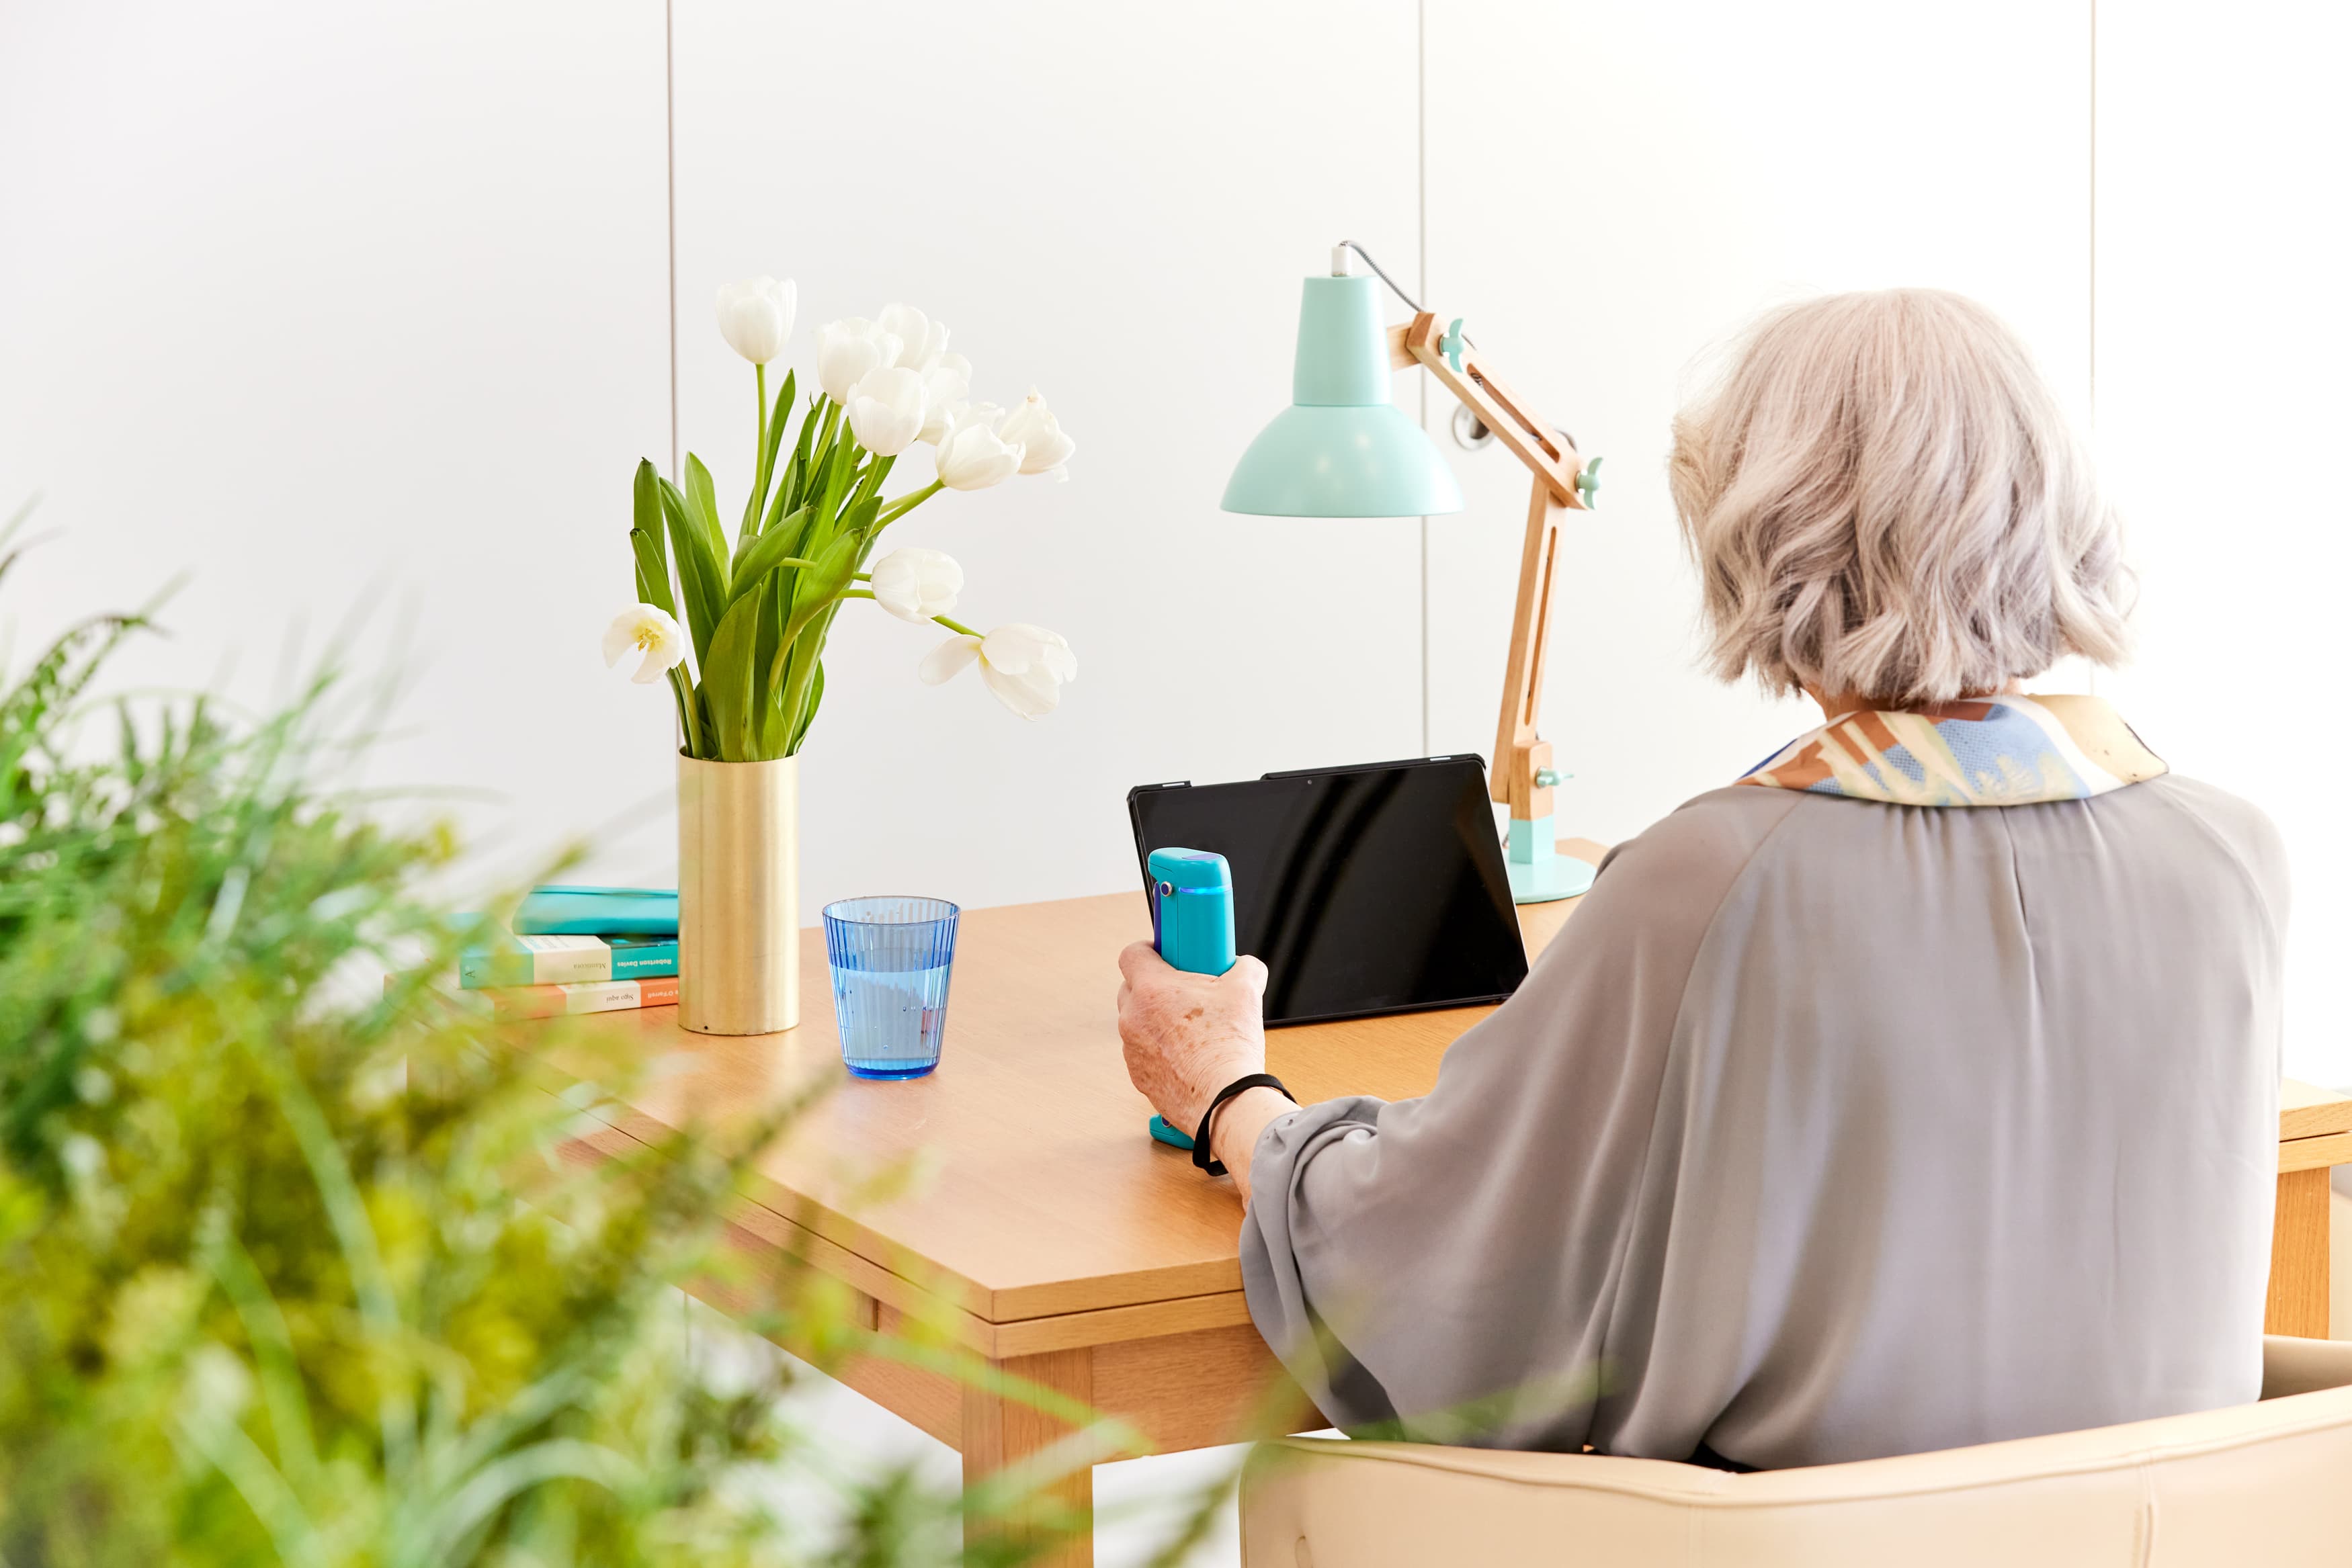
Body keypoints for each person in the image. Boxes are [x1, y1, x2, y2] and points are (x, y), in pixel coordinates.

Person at [1115, 290, 2287, 1471]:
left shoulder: (1715, 880)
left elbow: (1435, 1261)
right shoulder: (2232, 859)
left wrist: (1230, 1094)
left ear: (1768, 536)